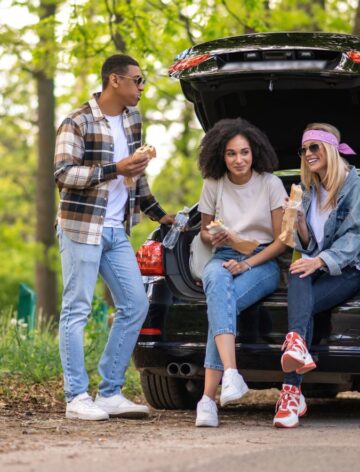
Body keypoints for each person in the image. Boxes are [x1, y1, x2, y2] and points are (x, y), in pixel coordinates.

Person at [54, 54, 174, 421]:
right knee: (77, 309)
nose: (142, 87)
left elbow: (136, 175)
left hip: (116, 230)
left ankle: (108, 392)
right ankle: (76, 396)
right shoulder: (77, 121)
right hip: (81, 227)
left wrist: (158, 213)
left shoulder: (132, 119)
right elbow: (62, 174)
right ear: (114, 81)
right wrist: (113, 169)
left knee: (136, 304)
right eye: (138, 80)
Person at [195, 118, 287, 427]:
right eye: (232, 154)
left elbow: (282, 241)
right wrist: (215, 236)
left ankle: (208, 399)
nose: (239, 160)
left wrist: (247, 263)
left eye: (244, 152)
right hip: (222, 254)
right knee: (217, 283)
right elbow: (204, 232)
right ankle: (231, 376)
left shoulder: (270, 184)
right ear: (221, 155)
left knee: (220, 304)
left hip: (262, 261)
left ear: (254, 152)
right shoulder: (213, 184)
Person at [273, 123, 360, 428]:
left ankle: (291, 393)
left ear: (331, 150)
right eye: (304, 149)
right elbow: (308, 244)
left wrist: (319, 261)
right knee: (298, 272)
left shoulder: (355, 185)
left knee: (303, 275)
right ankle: (294, 365)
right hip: (318, 267)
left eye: (314, 147)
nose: (307, 153)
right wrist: (296, 221)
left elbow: (354, 239)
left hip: (349, 269)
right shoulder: (308, 190)